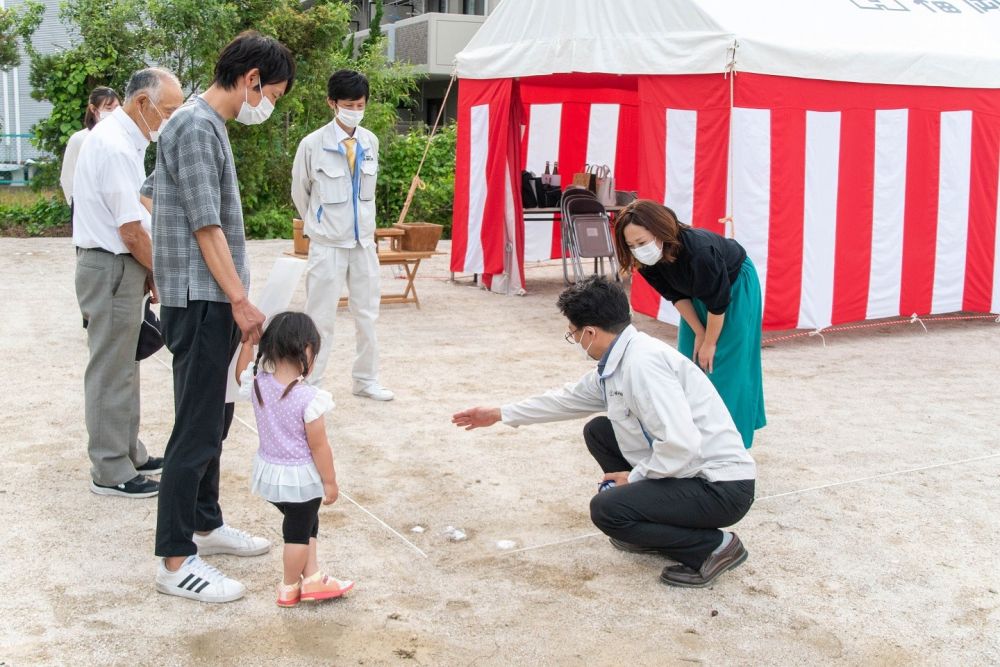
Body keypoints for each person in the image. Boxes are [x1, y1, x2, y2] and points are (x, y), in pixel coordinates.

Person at [452, 276, 756, 588]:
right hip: (691, 471)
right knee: (599, 431)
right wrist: (500, 413)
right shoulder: (621, 357)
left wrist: (633, 480)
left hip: (720, 488)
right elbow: (566, 399)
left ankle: (714, 548)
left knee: (607, 512)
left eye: (573, 334)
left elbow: (681, 445)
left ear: (590, 332)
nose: (575, 340)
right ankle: (648, 522)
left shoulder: (642, 366)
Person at [149, 31, 296, 604]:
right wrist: (238, 299)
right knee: (195, 426)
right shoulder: (192, 125)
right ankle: (174, 557)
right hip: (205, 298)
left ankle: (205, 525)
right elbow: (205, 226)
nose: (270, 105)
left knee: (216, 420)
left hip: (209, 295)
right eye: (274, 94)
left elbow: (157, 196)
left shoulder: (204, 127)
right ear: (252, 78)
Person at [73, 68, 183, 498]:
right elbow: (130, 231)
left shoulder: (125, 140)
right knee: (110, 370)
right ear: (142, 103)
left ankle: (127, 450)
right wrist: (160, 273)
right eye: (168, 111)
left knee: (126, 365)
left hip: (119, 266)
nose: (169, 119)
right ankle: (110, 468)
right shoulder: (116, 146)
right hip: (112, 266)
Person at [613, 200, 766, 448]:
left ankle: (732, 445)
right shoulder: (645, 262)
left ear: (660, 232)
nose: (637, 250)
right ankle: (696, 437)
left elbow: (718, 302)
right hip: (697, 293)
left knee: (724, 364)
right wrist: (699, 332)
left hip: (733, 288)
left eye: (641, 243)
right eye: (631, 245)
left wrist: (710, 342)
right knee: (689, 362)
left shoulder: (700, 251)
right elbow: (676, 296)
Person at [234, 312, 355, 607]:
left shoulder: (258, 382)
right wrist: (330, 482)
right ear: (307, 350)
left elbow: (241, 373)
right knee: (297, 535)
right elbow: (319, 446)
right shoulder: (308, 398)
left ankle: (312, 577)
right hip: (301, 479)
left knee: (305, 523)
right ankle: (289, 586)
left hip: (271, 474)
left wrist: (246, 344)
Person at [291, 69, 393, 401]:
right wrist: (321, 226)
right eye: (348, 103)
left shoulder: (370, 141)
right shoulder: (312, 144)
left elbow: (370, 194)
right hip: (328, 246)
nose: (354, 109)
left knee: (367, 316)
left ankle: (365, 380)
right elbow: (301, 193)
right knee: (319, 318)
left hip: (364, 244)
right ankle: (312, 385)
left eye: (360, 103)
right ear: (332, 103)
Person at [61, 86, 121, 206]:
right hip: (86, 208)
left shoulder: (122, 138)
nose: (113, 113)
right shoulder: (79, 139)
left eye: (117, 108)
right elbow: (67, 177)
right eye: (108, 108)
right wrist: (76, 205)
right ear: (93, 109)